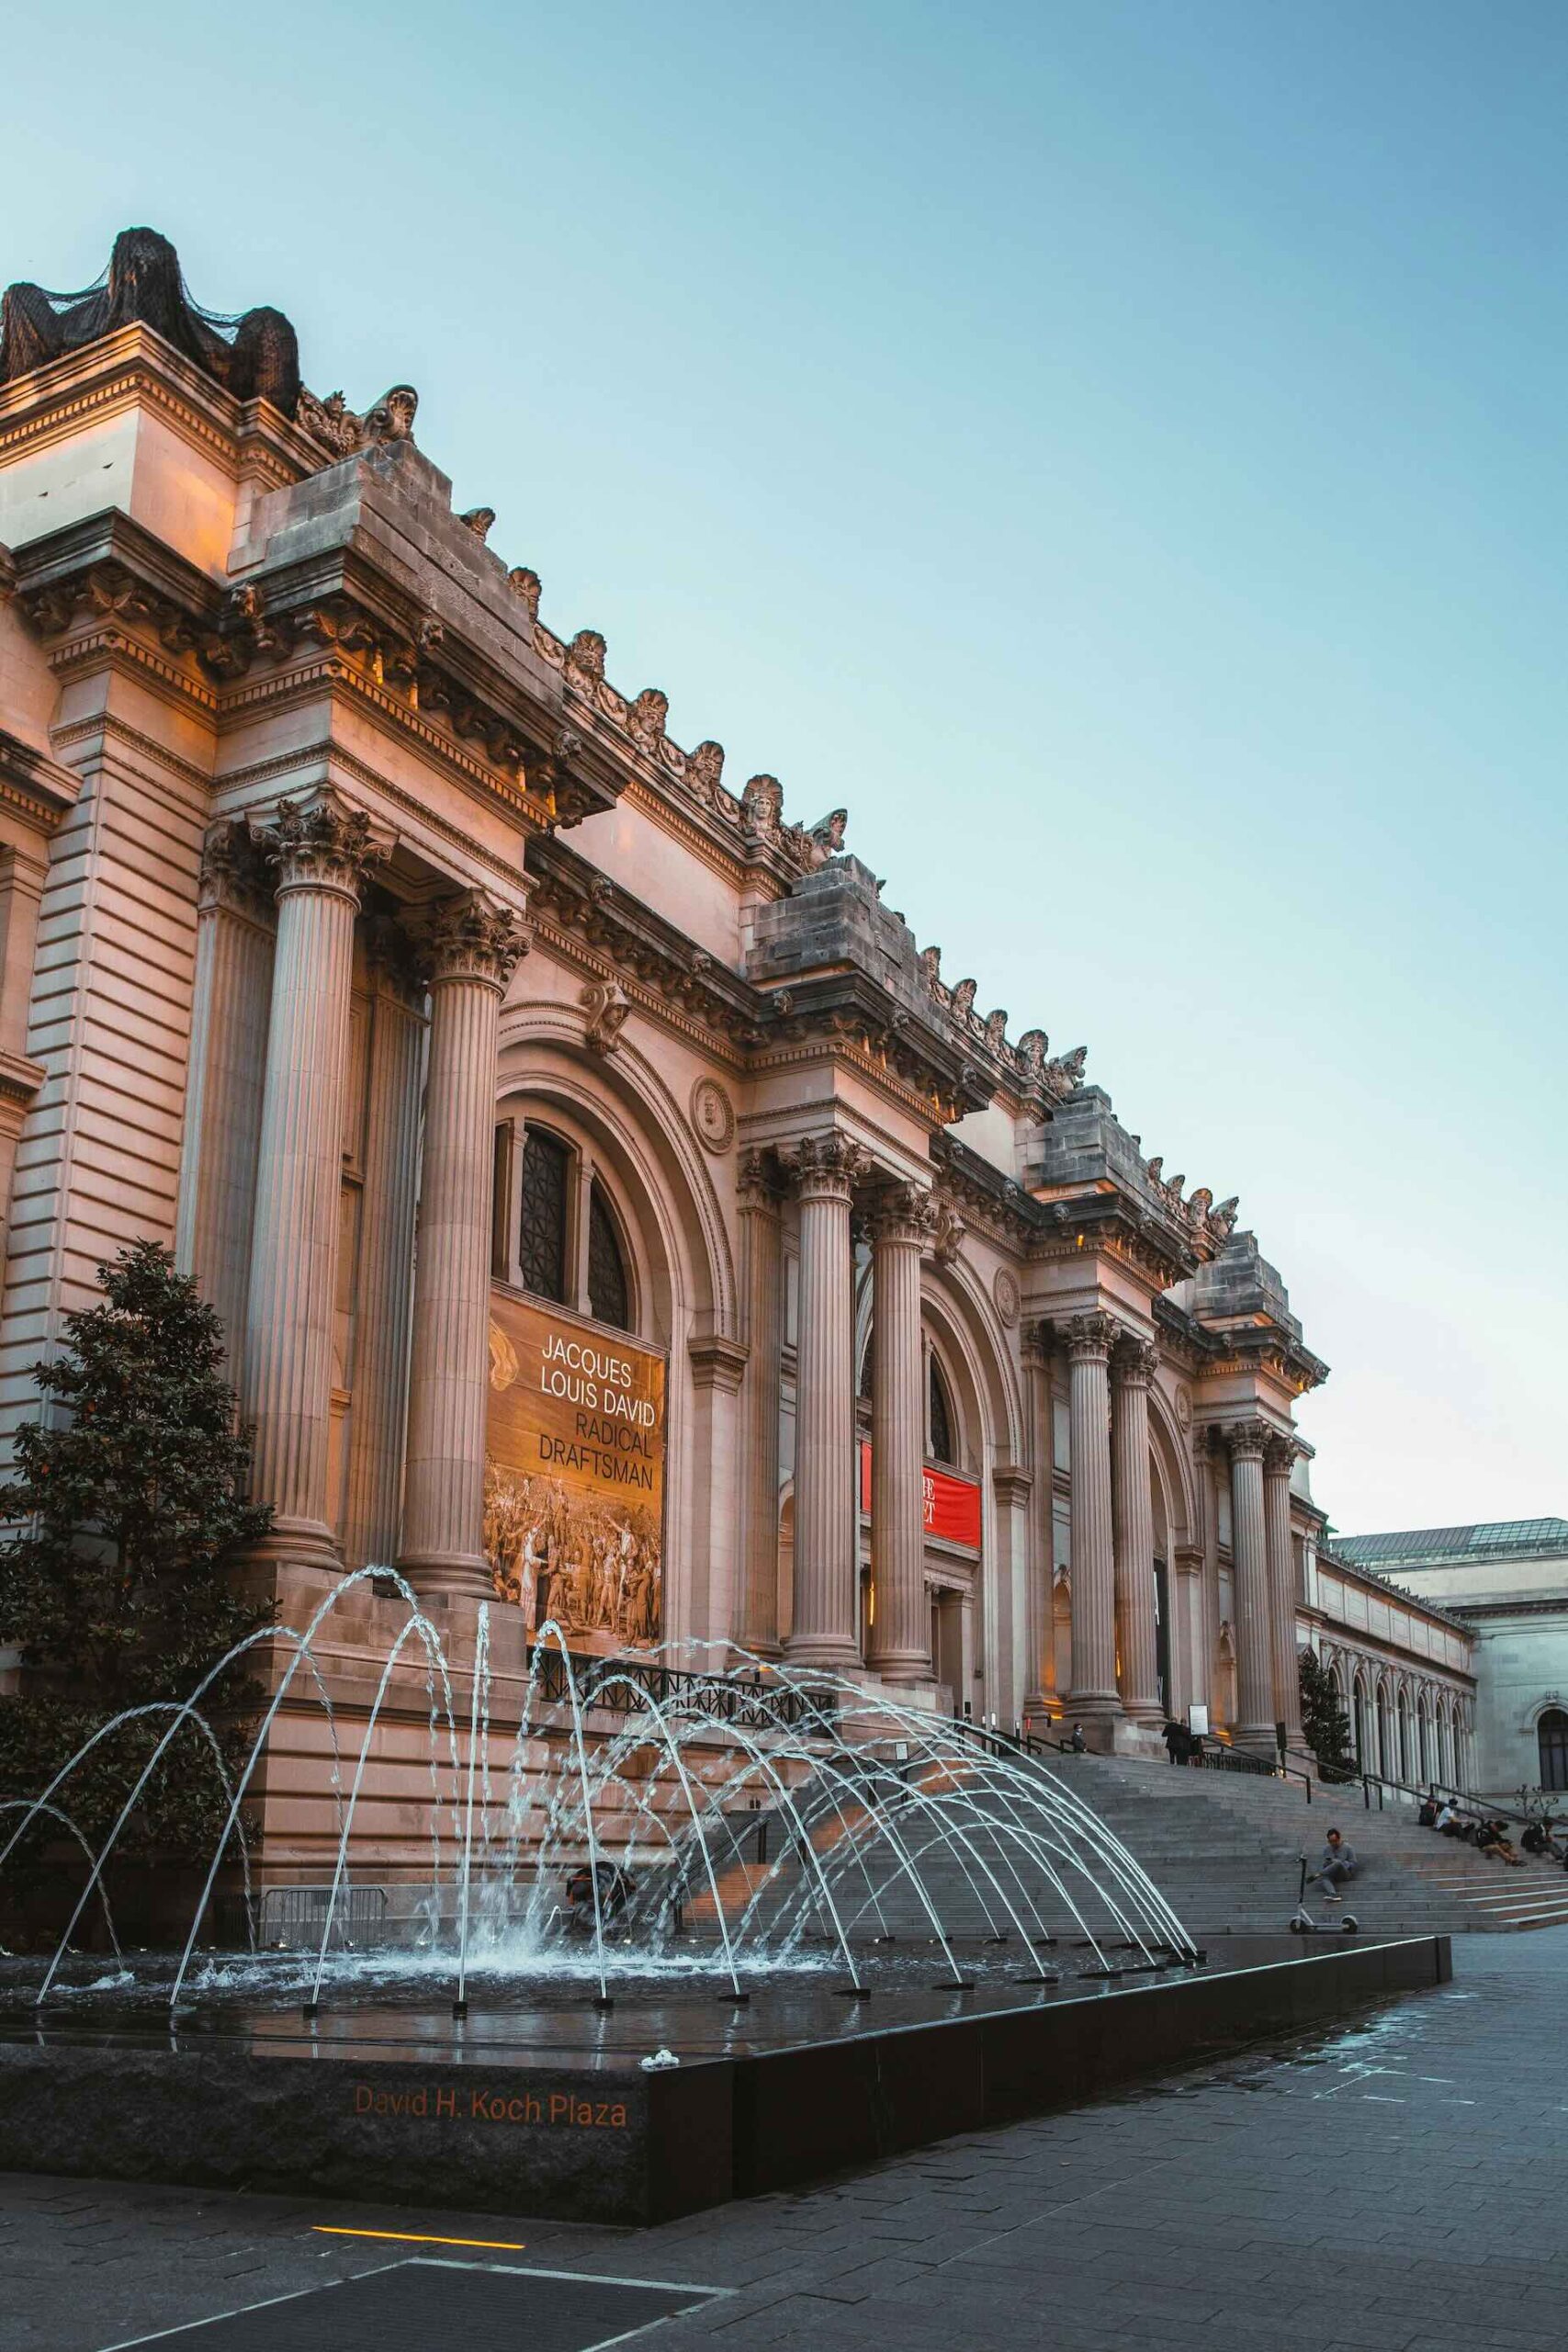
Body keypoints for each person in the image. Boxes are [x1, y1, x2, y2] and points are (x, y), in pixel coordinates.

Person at [1309, 1827, 1358, 1903]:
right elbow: (1324, 1863)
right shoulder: (1327, 1849)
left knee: (1338, 1863)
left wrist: (1341, 1863)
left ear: (1339, 1838)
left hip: (1344, 1873)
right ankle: (1332, 1894)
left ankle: (1318, 1874)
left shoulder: (1348, 1848)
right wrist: (1328, 1863)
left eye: (1335, 1841)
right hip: (1331, 1872)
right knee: (1325, 1875)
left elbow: (1353, 1864)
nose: (1333, 1843)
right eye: (1330, 1841)